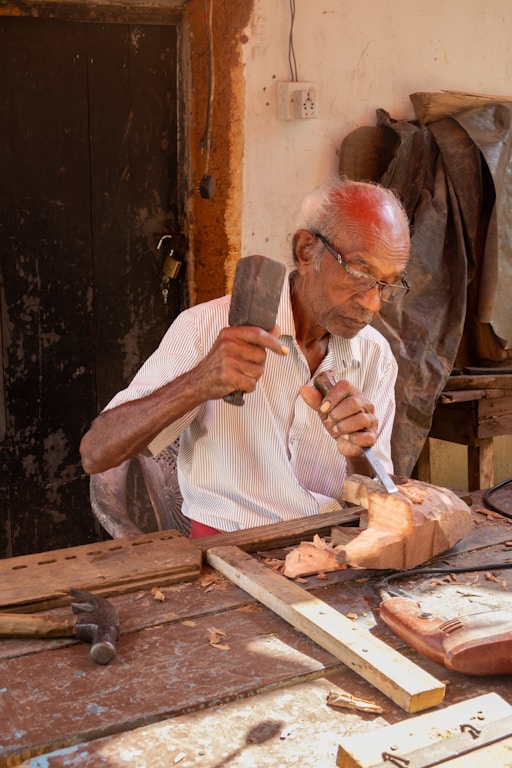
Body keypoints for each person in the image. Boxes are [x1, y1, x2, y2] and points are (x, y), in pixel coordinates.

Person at [80, 177, 411, 538]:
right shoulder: (206, 328)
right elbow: (97, 453)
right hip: (229, 547)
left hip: (333, 545)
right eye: (360, 273)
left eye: (388, 284)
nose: (372, 303)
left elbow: (378, 495)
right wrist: (198, 382)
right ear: (306, 251)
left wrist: (358, 454)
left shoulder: (376, 355)